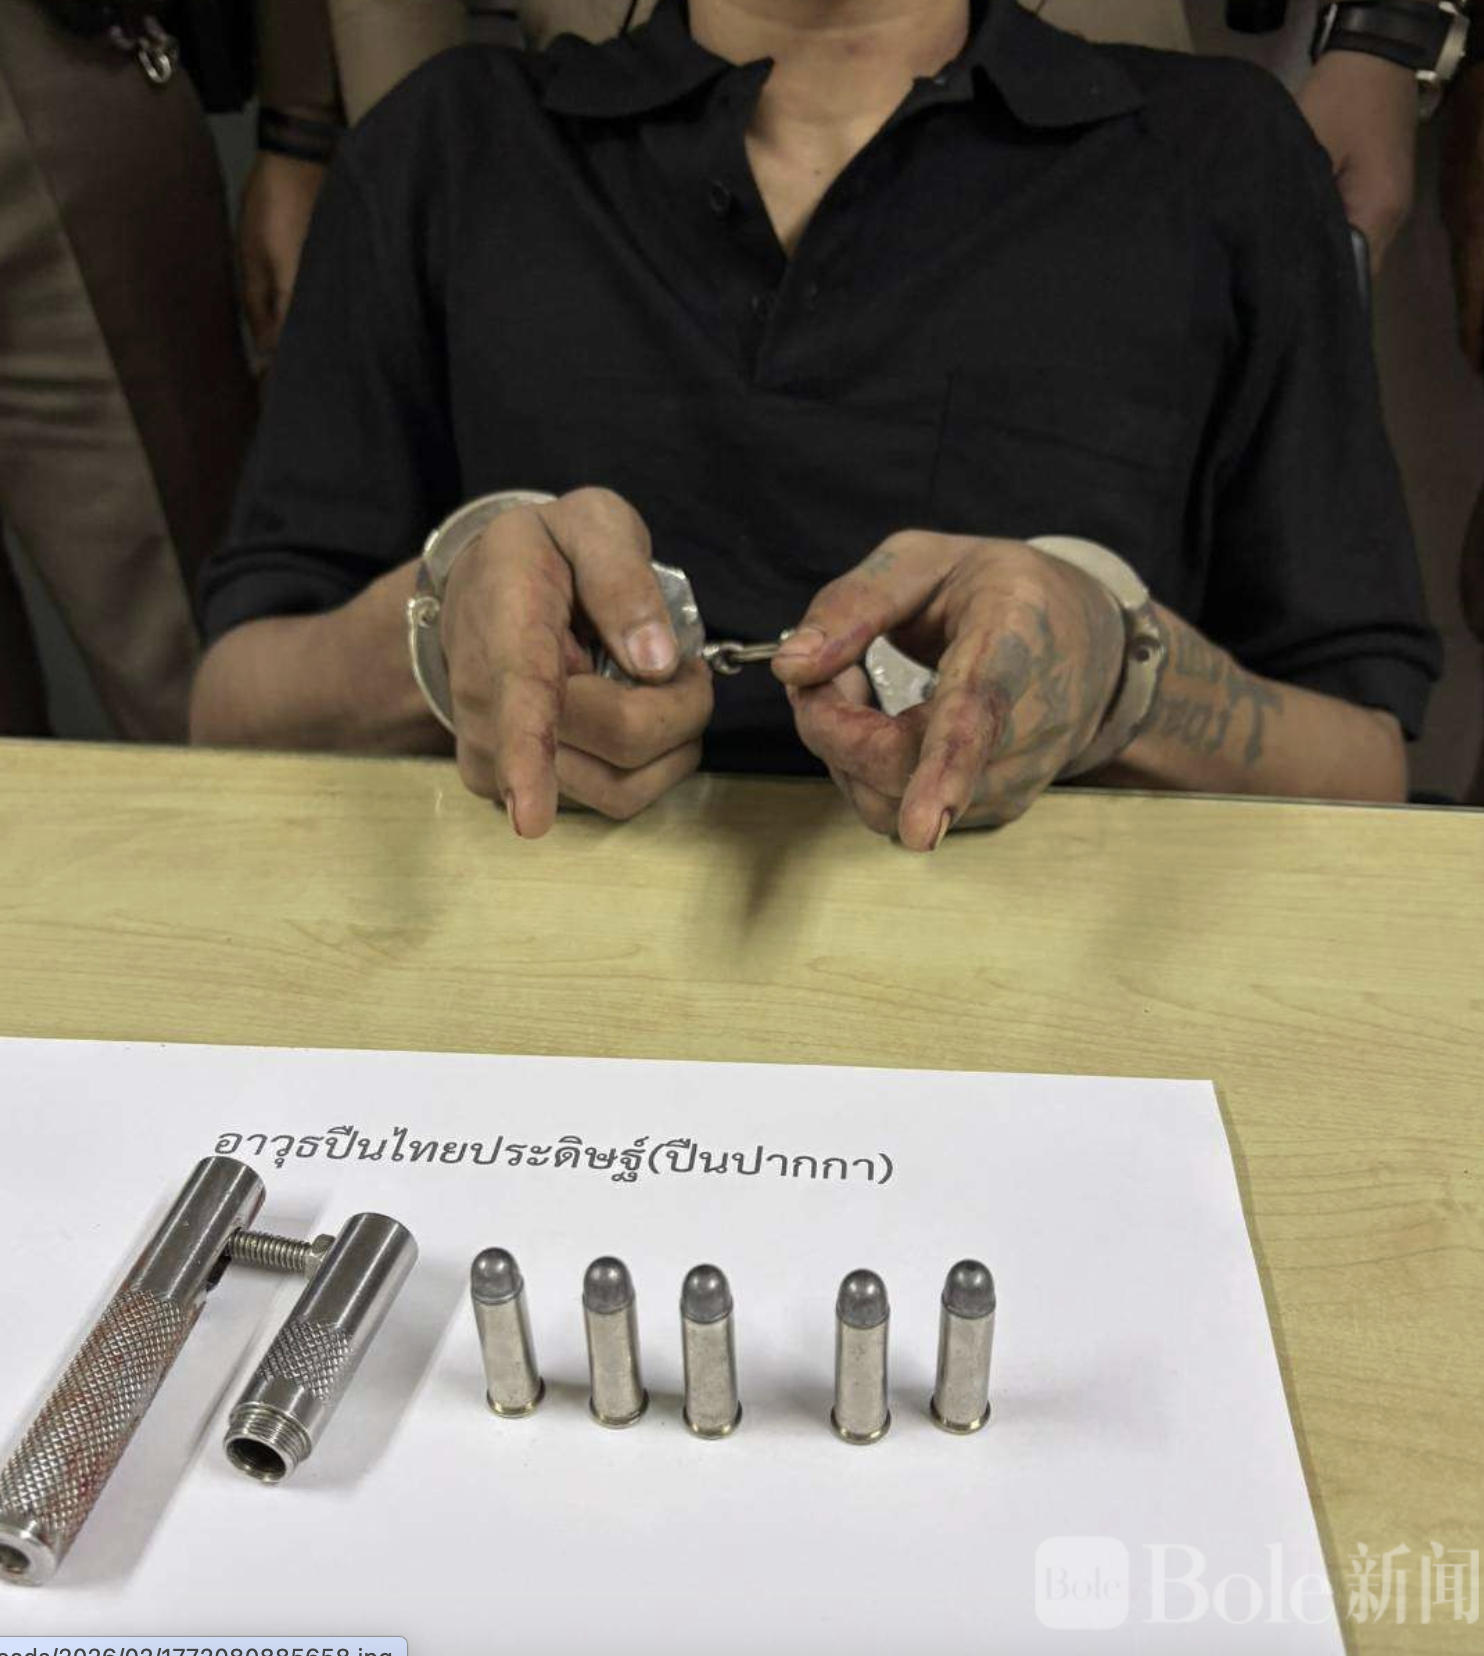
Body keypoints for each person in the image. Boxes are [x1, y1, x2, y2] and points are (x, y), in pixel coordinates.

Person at [192, 0, 1439, 847]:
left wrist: (1117, 676)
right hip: (530, 1004)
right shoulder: (449, 142)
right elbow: (231, 707)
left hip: (1062, 1018)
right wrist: (442, 625)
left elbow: (1362, 767)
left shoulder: (1218, 153)